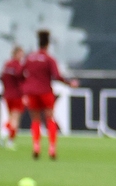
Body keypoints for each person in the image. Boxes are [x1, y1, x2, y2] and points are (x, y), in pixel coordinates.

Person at [22, 30, 79, 160]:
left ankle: (36, 146)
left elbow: (20, 72)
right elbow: (57, 76)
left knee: (35, 119)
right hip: (45, 91)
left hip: (31, 92)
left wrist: (25, 87)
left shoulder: (29, 58)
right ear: (48, 44)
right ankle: (52, 148)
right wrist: (70, 83)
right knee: (50, 118)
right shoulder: (49, 59)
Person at [0, 45, 25, 149]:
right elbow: (22, 80)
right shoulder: (18, 66)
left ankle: (4, 134)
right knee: (15, 119)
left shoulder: (7, 65)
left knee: (11, 118)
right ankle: (8, 139)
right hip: (17, 95)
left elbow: (2, 78)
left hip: (7, 95)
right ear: (16, 54)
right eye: (21, 54)